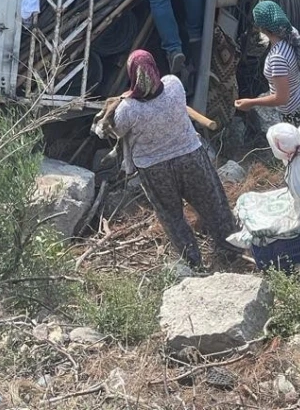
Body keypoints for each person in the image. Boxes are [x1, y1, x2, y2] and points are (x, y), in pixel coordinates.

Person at [97, 50, 234, 268]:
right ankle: (231, 250)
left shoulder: (127, 110)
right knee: (213, 204)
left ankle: (193, 264)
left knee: (173, 218)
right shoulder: (173, 85)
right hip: (191, 157)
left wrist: (124, 99)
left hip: (155, 170)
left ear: (132, 75)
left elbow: (119, 131)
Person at [234, 0, 300, 127]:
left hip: (295, 112)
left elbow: (282, 98)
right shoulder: (291, 32)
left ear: (261, 27)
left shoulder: (277, 58)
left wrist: (251, 102)